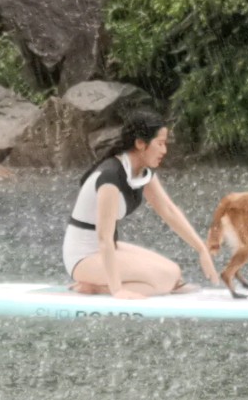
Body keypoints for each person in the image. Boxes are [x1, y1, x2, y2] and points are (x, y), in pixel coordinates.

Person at [63, 109, 220, 299]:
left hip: (108, 248)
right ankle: (95, 287)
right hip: (82, 256)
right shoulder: (110, 177)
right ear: (140, 143)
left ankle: (100, 282)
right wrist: (116, 290)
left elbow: (169, 211)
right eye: (160, 144)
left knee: (174, 272)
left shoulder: (142, 173)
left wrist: (202, 249)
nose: (164, 151)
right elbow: (104, 237)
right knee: (163, 280)